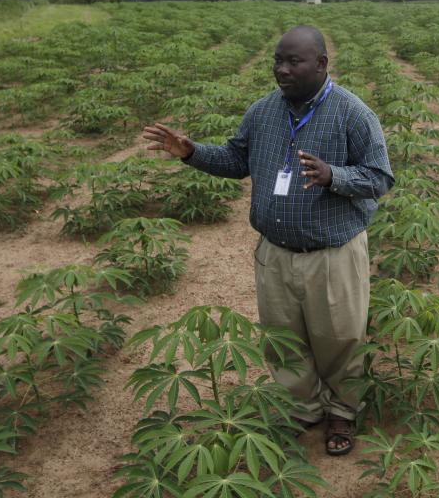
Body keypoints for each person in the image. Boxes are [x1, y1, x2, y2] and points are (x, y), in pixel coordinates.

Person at [142, 25, 393, 456]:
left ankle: (343, 412)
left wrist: (335, 176)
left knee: (340, 337)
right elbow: (237, 158)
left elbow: (379, 177)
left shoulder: (353, 113)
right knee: (283, 339)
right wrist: (192, 152)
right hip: (274, 251)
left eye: (293, 61)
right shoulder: (263, 111)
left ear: (321, 64)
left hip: (331, 252)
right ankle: (301, 409)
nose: (282, 69)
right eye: (278, 61)